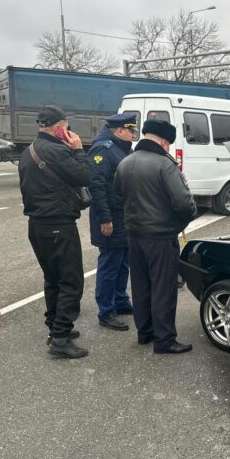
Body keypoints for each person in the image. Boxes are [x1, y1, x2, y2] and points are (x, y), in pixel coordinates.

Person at [114, 119, 197, 354]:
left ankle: (145, 332)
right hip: (160, 236)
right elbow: (184, 204)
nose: (168, 148)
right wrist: (179, 222)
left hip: (134, 235)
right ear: (162, 141)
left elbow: (117, 199)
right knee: (163, 288)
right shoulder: (165, 165)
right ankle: (165, 340)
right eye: (168, 144)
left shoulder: (125, 163)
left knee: (141, 286)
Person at [19, 105, 93, 359]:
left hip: (37, 224)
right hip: (59, 224)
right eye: (67, 127)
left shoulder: (28, 151)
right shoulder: (59, 150)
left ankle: (55, 327)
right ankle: (60, 337)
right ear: (59, 127)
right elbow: (85, 176)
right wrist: (79, 150)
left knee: (52, 279)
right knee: (71, 281)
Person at [87, 113, 138, 332]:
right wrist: (105, 219)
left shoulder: (123, 149)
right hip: (111, 218)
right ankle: (106, 311)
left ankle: (120, 300)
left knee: (123, 262)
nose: (134, 134)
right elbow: (97, 186)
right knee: (109, 265)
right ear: (119, 131)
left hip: (124, 215)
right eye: (131, 130)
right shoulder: (104, 150)